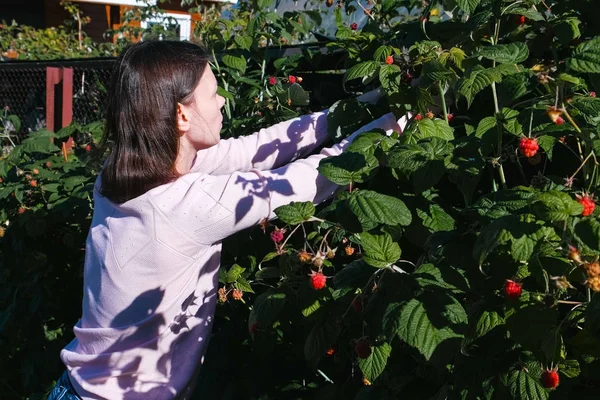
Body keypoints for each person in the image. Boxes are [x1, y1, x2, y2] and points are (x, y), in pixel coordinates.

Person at [47, 40, 406, 400]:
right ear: (182, 115)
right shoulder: (181, 208)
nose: (221, 102)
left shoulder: (121, 174)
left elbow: (254, 149)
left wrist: (360, 105)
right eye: (213, 93)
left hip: (78, 388)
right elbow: (305, 181)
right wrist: (399, 121)